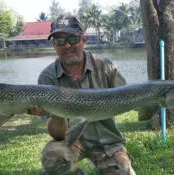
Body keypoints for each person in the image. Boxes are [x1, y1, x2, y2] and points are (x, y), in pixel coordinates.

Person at [28, 14, 136, 175]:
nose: (66, 46)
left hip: (109, 142)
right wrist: (56, 112)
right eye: (59, 41)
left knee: (122, 169)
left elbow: (128, 98)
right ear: (54, 45)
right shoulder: (47, 77)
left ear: (83, 40)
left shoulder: (105, 66)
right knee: (53, 156)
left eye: (72, 39)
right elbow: (57, 133)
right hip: (71, 141)